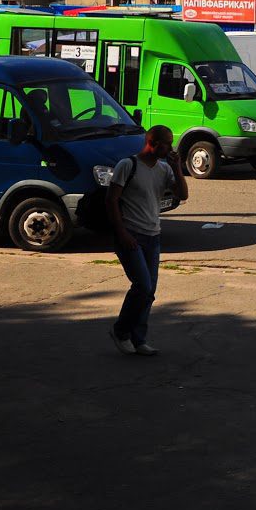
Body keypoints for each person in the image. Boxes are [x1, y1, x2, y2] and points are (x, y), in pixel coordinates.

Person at [107, 125, 189, 357]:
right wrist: (122, 233)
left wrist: (177, 168)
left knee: (149, 291)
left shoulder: (164, 168)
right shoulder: (128, 166)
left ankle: (138, 338)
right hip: (131, 235)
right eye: (166, 143)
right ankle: (121, 331)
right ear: (152, 143)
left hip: (153, 236)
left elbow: (182, 195)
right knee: (142, 286)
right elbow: (111, 200)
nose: (170, 148)